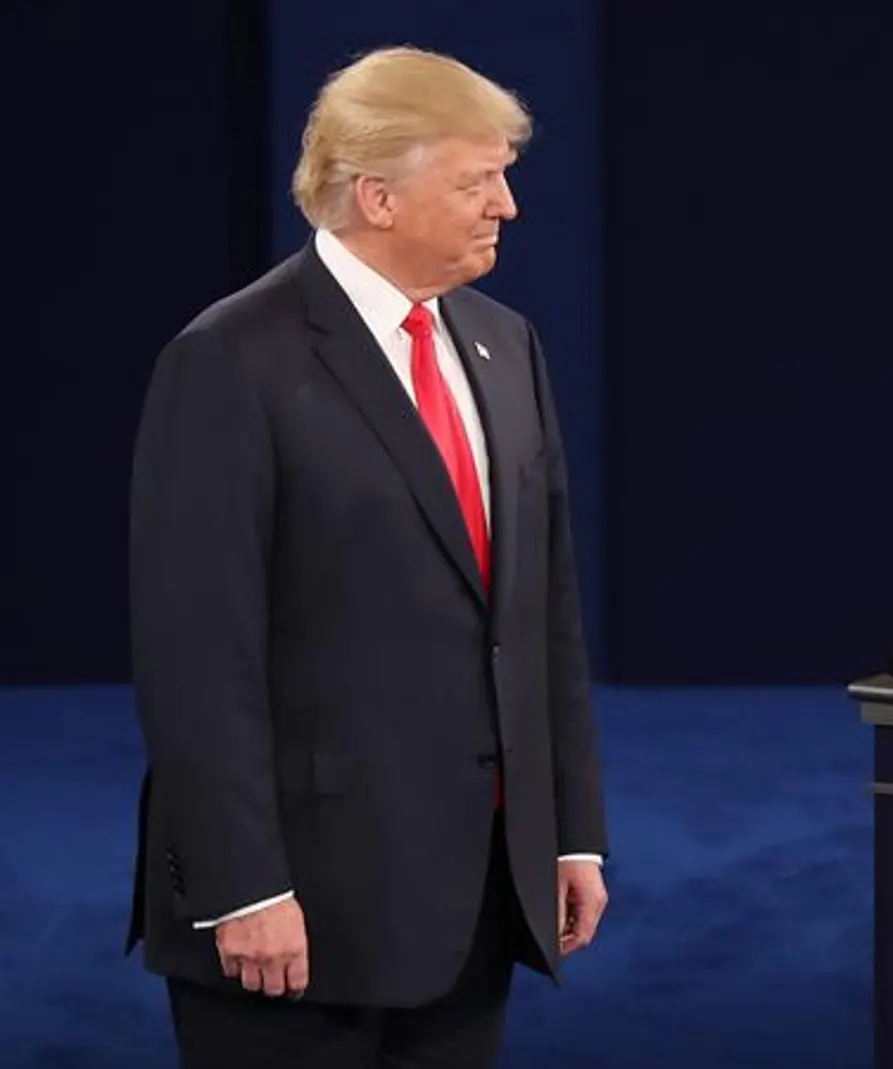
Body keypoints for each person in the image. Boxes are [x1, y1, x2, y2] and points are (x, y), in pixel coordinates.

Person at [125, 46, 609, 1068]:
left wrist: (567, 831)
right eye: (478, 181)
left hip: (477, 892)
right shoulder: (228, 360)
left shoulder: (504, 343)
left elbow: (539, 611)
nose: (508, 207)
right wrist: (241, 885)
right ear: (378, 196)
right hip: (298, 914)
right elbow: (195, 653)